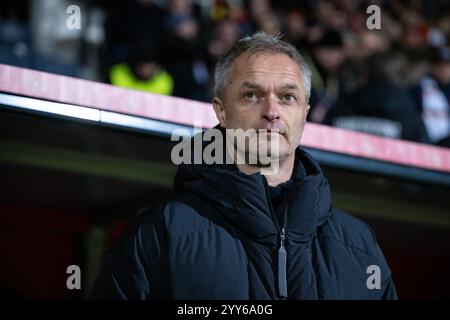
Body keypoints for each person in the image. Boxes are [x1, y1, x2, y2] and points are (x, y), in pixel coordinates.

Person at [89, 32, 397, 300]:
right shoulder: (161, 234)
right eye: (252, 95)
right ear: (221, 112)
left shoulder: (360, 246)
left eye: (288, 97)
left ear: (305, 113)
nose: (272, 111)